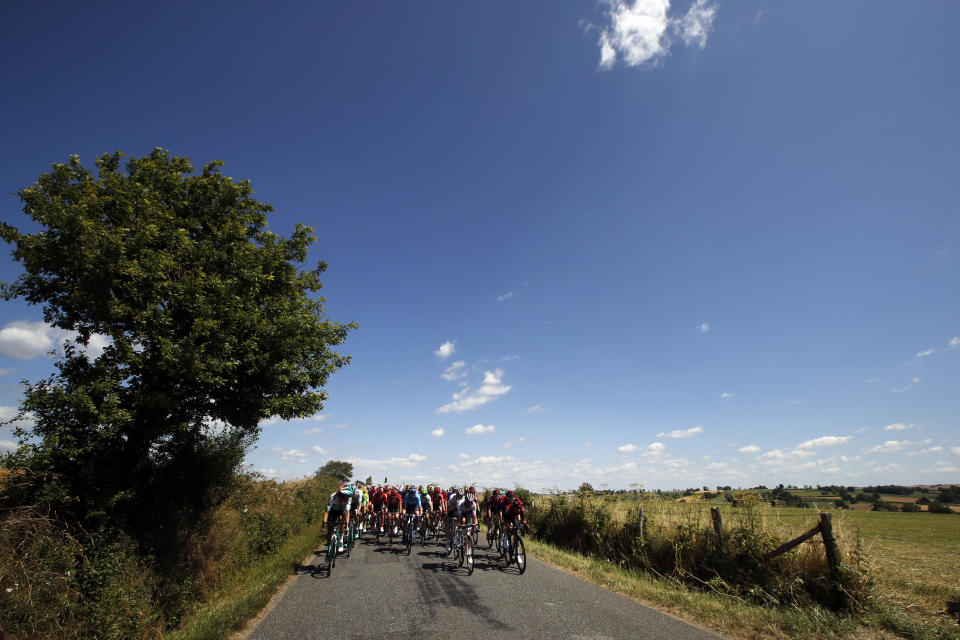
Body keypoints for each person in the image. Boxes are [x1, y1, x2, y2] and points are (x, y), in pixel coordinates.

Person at [323, 484, 354, 553]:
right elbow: (327, 512)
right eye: (345, 496)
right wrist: (323, 524)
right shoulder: (333, 497)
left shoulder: (349, 499)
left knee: (342, 520)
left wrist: (346, 526)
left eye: (348, 497)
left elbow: (347, 514)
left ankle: (341, 540)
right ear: (340, 495)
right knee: (330, 529)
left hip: (341, 511)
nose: (346, 498)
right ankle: (329, 545)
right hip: (333, 510)